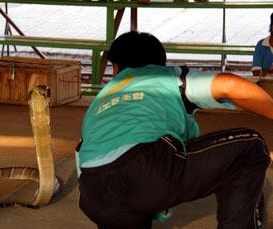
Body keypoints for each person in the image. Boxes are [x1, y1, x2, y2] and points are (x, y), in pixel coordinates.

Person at [76, 31, 273, 229]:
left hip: (94, 194)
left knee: (138, 196)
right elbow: (230, 85)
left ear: (116, 69)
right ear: (158, 64)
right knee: (251, 146)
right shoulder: (167, 78)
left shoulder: (99, 101)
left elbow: (82, 156)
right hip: (144, 168)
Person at [252, 12, 273, 77]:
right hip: (266, 85)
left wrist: (265, 72)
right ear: (271, 27)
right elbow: (256, 72)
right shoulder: (261, 45)